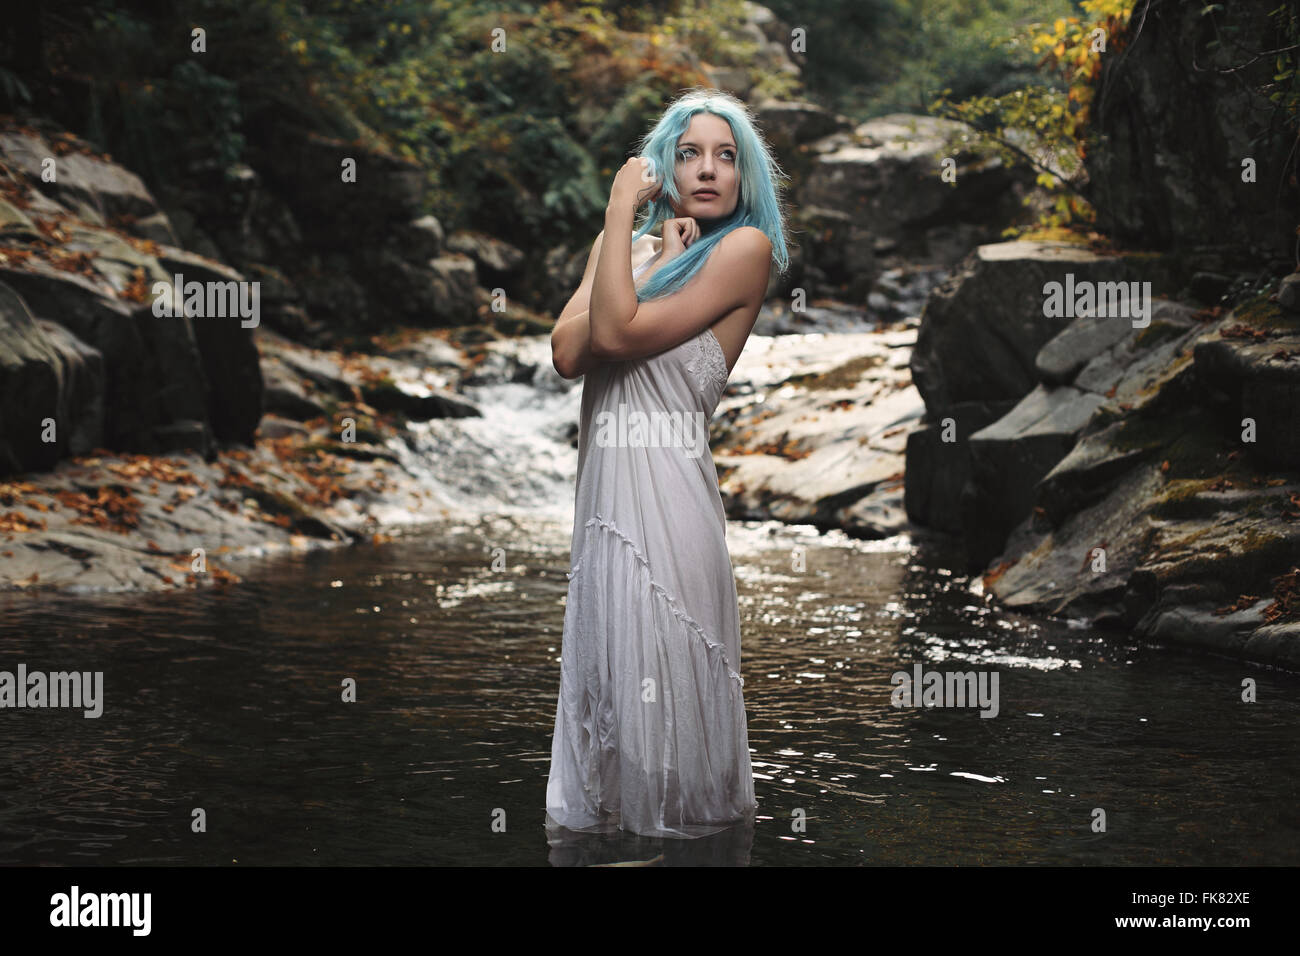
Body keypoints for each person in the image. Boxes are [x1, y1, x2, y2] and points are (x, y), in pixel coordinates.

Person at [545, 88, 790, 839]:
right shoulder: (631, 249)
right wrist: (636, 243)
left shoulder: (745, 251)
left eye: (726, 156)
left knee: (669, 699)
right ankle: (618, 844)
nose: (708, 170)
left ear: (745, 174)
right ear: (667, 165)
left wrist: (622, 213)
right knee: (613, 694)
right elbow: (564, 353)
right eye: (690, 154)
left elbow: (613, 337)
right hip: (606, 508)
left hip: (671, 504)